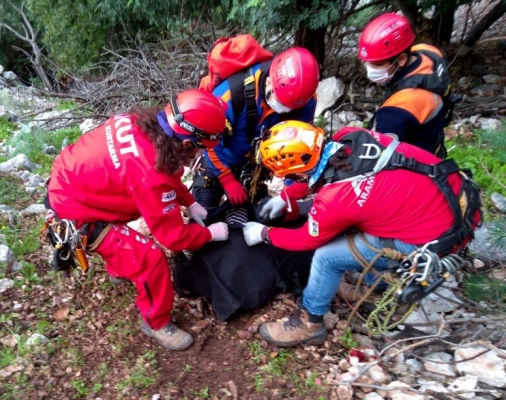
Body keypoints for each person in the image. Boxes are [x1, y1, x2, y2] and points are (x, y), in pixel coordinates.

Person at [241, 121, 482, 347]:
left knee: (327, 258)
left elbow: (305, 239)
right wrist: (287, 197)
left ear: (298, 173)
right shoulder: (350, 137)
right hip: (457, 201)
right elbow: (315, 171)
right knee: (365, 219)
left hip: (436, 240)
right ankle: (371, 291)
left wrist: (264, 233)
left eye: (289, 178)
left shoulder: (335, 200)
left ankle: (309, 323)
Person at [46, 89, 231, 351]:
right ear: (188, 143)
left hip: (71, 181)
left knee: (126, 227)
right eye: (200, 147)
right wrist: (211, 234)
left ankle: (121, 267)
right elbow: (173, 236)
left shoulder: (141, 124)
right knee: (150, 257)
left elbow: (163, 171)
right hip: (76, 210)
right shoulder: (151, 173)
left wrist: (190, 201)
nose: (196, 155)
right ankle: (156, 322)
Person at [193, 47, 320, 214]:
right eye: (281, 102)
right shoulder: (230, 94)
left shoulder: (303, 101)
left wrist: (288, 194)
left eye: (289, 107)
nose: (284, 110)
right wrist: (227, 179)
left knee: (248, 217)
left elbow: (298, 147)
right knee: (204, 215)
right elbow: (210, 142)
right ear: (268, 81)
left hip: (255, 166)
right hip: (220, 157)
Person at [358, 12, 452, 158]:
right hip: (434, 145)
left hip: (417, 167)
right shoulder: (429, 53)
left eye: (378, 64)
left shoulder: (395, 111)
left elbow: (377, 156)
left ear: (401, 59)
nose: (370, 69)